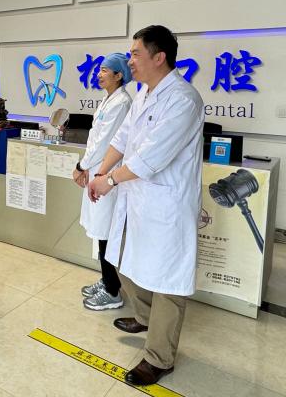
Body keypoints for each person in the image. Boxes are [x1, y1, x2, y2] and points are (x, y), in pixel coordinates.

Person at [89, 25, 204, 386]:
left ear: (159, 57)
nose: (130, 60)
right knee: (122, 259)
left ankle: (159, 357)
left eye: (136, 53)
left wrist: (108, 181)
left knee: (167, 281)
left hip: (165, 206)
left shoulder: (183, 99)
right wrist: (101, 171)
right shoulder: (143, 94)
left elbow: (150, 158)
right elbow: (121, 139)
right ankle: (143, 317)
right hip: (135, 199)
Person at [73, 53, 132, 311]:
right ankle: (107, 279)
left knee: (105, 230)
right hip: (98, 169)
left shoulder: (122, 103)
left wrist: (82, 166)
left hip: (107, 173)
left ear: (119, 75)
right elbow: (95, 140)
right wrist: (87, 165)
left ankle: (112, 290)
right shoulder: (109, 100)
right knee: (100, 229)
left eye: (105, 70)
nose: (99, 74)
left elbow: (104, 142)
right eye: (100, 70)